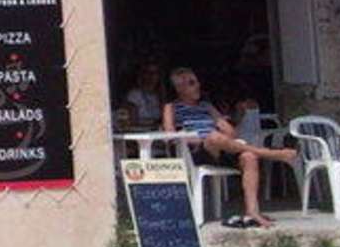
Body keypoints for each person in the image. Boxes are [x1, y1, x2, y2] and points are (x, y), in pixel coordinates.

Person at [161, 65, 299, 228]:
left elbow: (231, 133)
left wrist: (229, 122)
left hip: (220, 148)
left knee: (249, 157)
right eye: (191, 83)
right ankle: (268, 153)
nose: (197, 85)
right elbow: (170, 136)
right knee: (213, 137)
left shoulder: (206, 106)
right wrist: (193, 137)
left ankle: (253, 212)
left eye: (196, 82)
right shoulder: (171, 108)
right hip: (196, 152)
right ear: (179, 88)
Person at [119, 62, 165, 132]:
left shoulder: (159, 96)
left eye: (155, 73)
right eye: (148, 73)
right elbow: (132, 122)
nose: (151, 76)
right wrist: (153, 125)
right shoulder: (134, 95)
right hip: (140, 134)